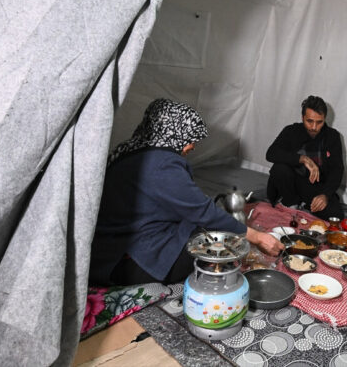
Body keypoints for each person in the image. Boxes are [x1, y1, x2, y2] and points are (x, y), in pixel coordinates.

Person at [90, 98, 283, 286]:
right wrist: (257, 237)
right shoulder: (161, 164)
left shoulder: (133, 149)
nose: (192, 146)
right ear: (174, 132)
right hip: (127, 258)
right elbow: (203, 212)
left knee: (208, 229)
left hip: (109, 246)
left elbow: (182, 200)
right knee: (213, 243)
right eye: (190, 139)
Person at [265, 95, 345, 220]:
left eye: (319, 122)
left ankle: (303, 207)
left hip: (314, 187)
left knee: (335, 216)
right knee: (279, 168)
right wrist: (303, 159)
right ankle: (291, 204)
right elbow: (271, 153)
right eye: (309, 121)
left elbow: (337, 169)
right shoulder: (291, 131)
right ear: (303, 118)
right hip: (290, 185)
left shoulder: (332, 136)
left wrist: (325, 195)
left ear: (324, 119)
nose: (314, 127)